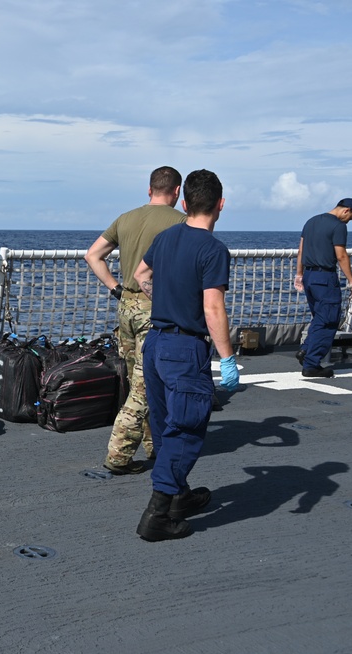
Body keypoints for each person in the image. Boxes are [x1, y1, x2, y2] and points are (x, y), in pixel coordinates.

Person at [132, 169, 239, 542]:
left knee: (164, 426)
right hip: (184, 348)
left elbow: (139, 275)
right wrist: (227, 358)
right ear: (220, 205)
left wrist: (164, 299)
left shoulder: (165, 238)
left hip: (156, 343)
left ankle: (178, 496)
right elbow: (213, 309)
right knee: (187, 428)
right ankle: (157, 516)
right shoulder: (213, 250)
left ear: (183, 202)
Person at [84, 166, 185, 475]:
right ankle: (119, 455)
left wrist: (115, 288)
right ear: (177, 192)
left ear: (149, 189)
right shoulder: (181, 223)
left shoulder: (125, 218)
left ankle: (154, 445)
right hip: (155, 310)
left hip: (126, 307)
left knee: (138, 381)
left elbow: (93, 255)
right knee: (145, 387)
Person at [294, 198, 352, 378]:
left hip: (309, 277)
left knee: (319, 317)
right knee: (329, 320)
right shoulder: (339, 226)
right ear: (347, 210)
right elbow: (341, 256)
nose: (349, 221)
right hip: (325, 278)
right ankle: (311, 363)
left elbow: (300, 251)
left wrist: (299, 274)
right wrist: (351, 280)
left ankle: (306, 350)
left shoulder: (311, 221)